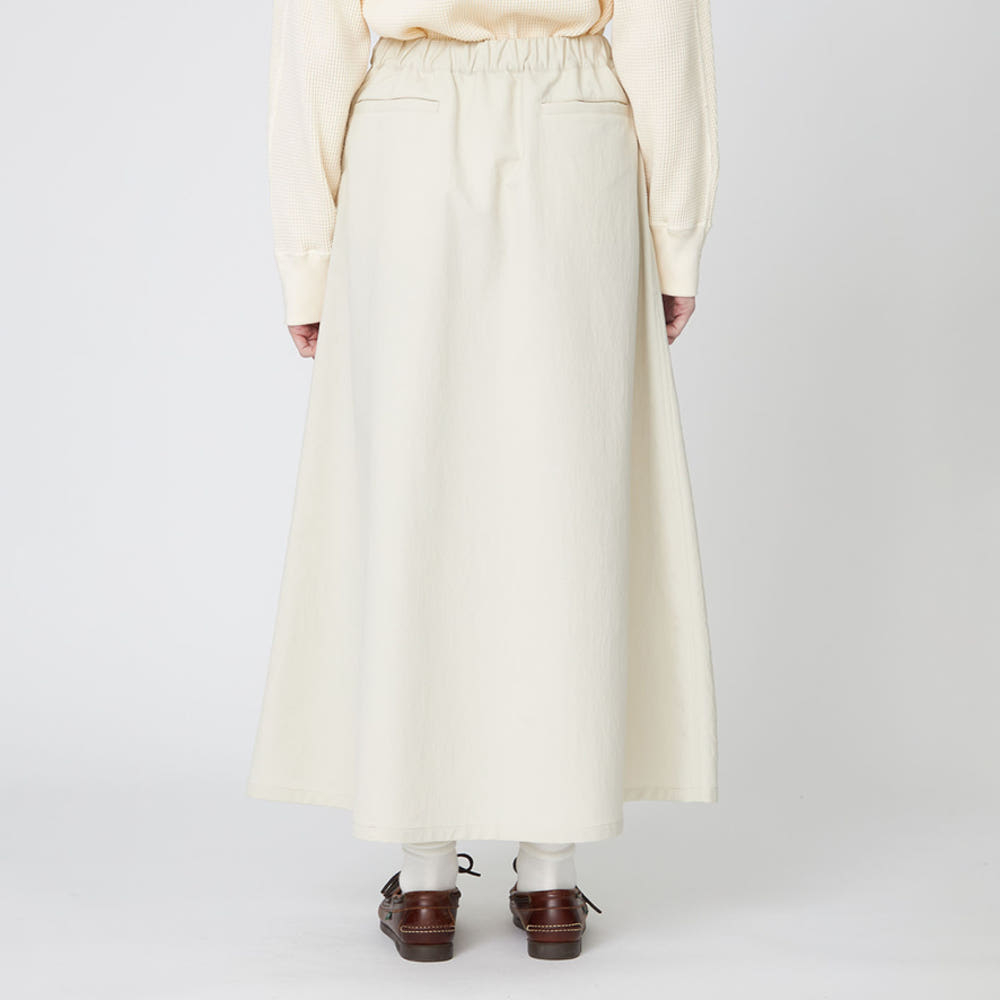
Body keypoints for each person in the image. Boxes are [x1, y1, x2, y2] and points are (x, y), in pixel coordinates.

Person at [248, 0, 720, 962]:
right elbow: (661, 31)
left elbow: (317, 45)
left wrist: (307, 260)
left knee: (411, 496)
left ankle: (426, 878)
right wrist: (676, 236)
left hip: (409, 143)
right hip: (574, 135)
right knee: (572, 499)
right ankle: (551, 877)